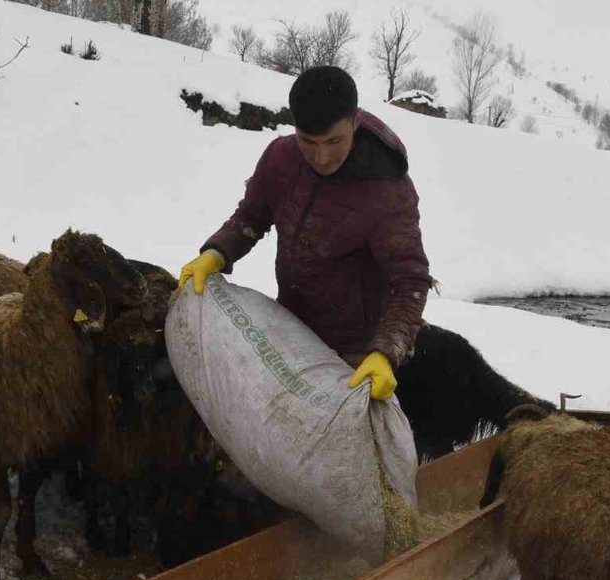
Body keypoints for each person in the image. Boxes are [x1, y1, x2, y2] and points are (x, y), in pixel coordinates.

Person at [178, 66, 431, 401]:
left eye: (334, 141)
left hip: (357, 355)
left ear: (355, 122)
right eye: (308, 142)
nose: (322, 157)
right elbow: (251, 217)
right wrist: (217, 253)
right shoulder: (280, 158)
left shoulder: (388, 190)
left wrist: (384, 353)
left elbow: (410, 282)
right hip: (291, 330)